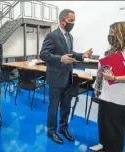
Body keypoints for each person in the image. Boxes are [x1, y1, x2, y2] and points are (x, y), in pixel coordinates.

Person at [40, 9, 93, 144]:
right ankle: (51, 131)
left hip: (68, 77)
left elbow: (69, 52)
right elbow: (44, 54)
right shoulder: (52, 36)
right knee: (53, 107)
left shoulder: (70, 36)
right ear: (62, 21)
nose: (73, 23)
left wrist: (82, 55)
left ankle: (64, 128)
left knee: (66, 106)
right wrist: (60, 59)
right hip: (56, 78)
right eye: (71, 21)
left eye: (74, 21)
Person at [90, 22, 125, 152]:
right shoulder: (113, 51)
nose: (110, 35)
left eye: (112, 32)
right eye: (109, 33)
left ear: (121, 34)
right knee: (103, 122)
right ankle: (103, 144)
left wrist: (115, 78)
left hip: (119, 98)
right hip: (106, 94)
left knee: (115, 128)